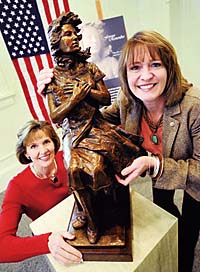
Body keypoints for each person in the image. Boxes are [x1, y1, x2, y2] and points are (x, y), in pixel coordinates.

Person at [37, 30, 200, 271]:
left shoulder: (194, 107)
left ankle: (184, 259)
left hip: (193, 179)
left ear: (170, 68)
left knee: (191, 221)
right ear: (126, 73)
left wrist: (154, 164)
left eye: (155, 64)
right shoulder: (128, 97)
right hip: (158, 169)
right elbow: (102, 118)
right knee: (163, 203)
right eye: (135, 67)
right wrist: (62, 100)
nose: (145, 76)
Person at [42, 11, 147, 245]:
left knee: (100, 165)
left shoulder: (90, 68)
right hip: (73, 132)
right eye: (68, 34)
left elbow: (105, 100)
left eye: (75, 34)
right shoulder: (53, 77)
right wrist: (76, 98)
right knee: (73, 170)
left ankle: (106, 207)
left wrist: (87, 91)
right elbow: (55, 115)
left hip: (96, 126)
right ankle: (90, 218)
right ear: (57, 40)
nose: (75, 38)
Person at [0, 120, 82, 264]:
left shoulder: (68, 157)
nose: (43, 150)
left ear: (54, 143)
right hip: (53, 234)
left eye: (46, 142)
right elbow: (2, 247)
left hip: (79, 218)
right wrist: (46, 242)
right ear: (26, 153)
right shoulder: (17, 187)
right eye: (33, 146)